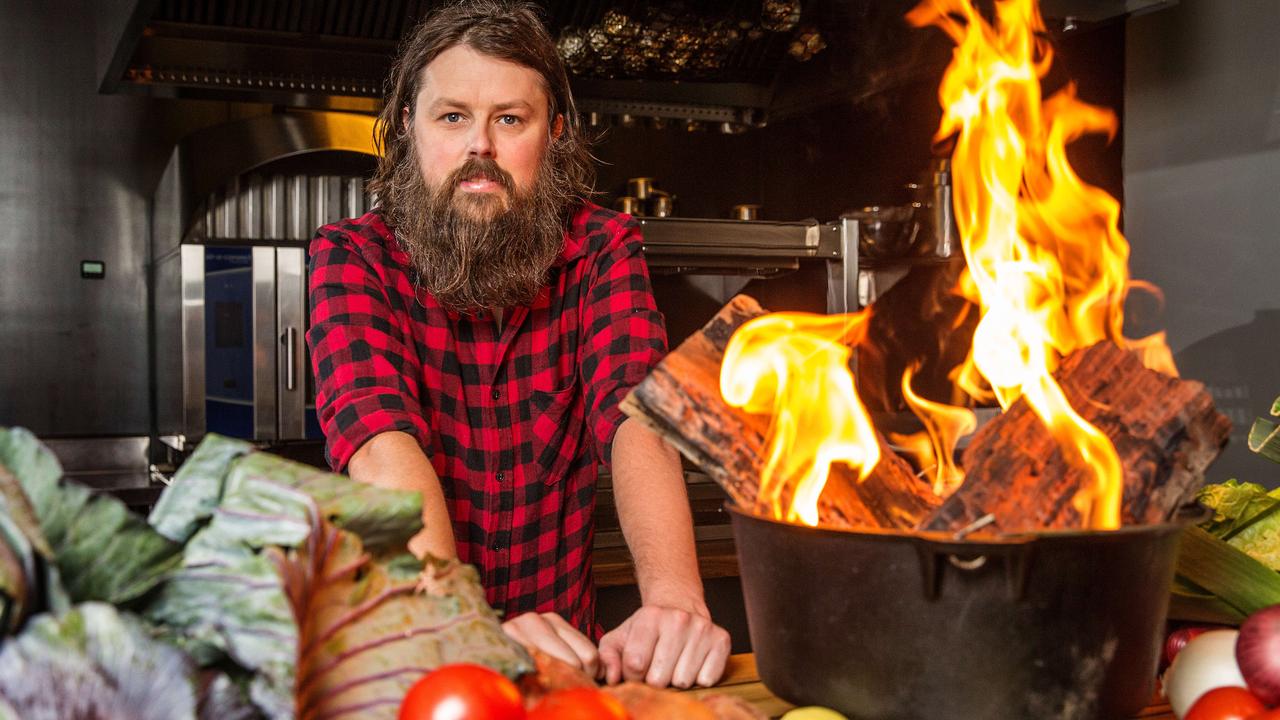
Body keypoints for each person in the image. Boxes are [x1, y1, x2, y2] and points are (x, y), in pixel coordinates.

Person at [306, 0, 730, 690]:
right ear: (407, 130)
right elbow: (381, 440)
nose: (481, 145)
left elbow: (638, 418)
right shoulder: (351, 258)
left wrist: (676, 600)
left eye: (510, 119)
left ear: (553, 134)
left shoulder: (602, 248)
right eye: (452, 117)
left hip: (569, 667)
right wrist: (461, 622)